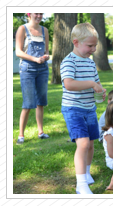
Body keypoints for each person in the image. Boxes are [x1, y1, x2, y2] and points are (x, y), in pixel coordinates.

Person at [60, 22, 106, 194]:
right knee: (83, 144)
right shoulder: (68, 62)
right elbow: (69, 84)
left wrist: (100, 90)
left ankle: (86, 174)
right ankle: (81, 185)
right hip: (73, 109)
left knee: (91, 144)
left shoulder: (90, 63)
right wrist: (92, 84)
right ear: (76, 42)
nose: (93, 49)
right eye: (90, 45)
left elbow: (97, 82)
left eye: (95, 45)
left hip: (90, 108)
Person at [15, 13, 50, 144]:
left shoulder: (44, 30)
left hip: (42, 69)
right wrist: (35, 59)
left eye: (41, 13)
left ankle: (41, 132)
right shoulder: (22, 29)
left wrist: (46, 56)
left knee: (41, 102)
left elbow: (46, 50)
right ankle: (21, 135)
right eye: (37, 13)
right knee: (28, 103)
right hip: (27, 69)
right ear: (29, 14)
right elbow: (18, 52)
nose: (39, 16)